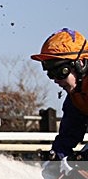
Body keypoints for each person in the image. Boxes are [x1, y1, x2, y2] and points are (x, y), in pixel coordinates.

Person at [30, 28, 88, 171]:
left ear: (80, 64)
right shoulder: (75, 97)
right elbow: (69, 134)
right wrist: (57, 156)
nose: (55, 80)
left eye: (60, 72)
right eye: (50, 74)